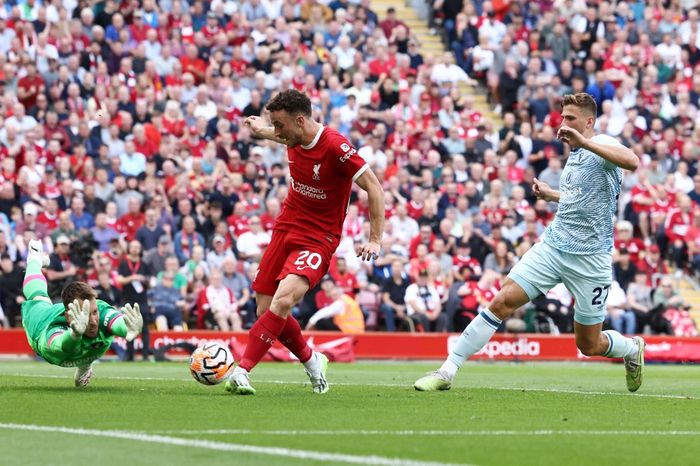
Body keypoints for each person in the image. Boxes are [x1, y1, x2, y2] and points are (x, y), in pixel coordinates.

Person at [415, 93, 646, 393]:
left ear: (589, 122)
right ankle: (447, 370)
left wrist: (586, 142)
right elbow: (583, 200)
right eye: (562, 118)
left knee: (588, 344)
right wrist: (552, 196)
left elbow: (633, 161)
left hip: (591, 257)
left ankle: (631, 348)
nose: (563, 124)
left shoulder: (603, 144)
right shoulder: (574, 154)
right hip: (553, 247)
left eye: (571, 119)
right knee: (502, 301)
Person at [226, 89, 384, 395]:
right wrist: (261, 128)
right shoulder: (291, 135)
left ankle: (242, 370)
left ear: (300, 121)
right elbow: (275, 133)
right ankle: (313, 363)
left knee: (283, 300)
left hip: (318, 237)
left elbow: (374, 188)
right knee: (264, 310)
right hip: (286, 226)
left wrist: (375, 240)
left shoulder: (335, 146)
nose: (278, 132)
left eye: (281, 125)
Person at [19, 240, 142, 387]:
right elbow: (62, 346)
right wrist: (74, 335)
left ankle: (85, 364)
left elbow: (116, 322)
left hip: (83, 344)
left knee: (93, 330)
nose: (94, 320)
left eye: (94, 312)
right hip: (41, 322)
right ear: (68, 317)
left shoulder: (100, 310)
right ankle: (34, 259)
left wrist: (127, 328)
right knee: (38, 296)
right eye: (86, 314)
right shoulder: (54, 328)